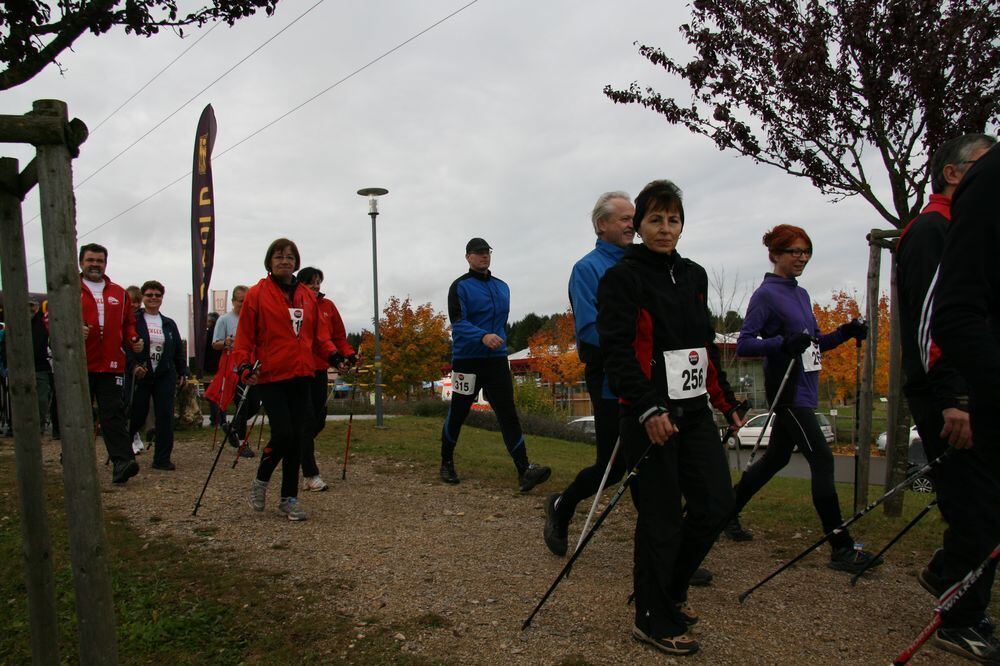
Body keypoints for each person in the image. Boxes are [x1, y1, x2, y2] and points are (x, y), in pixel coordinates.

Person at [598, 180, 744, 656]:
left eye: (674, 219)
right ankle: (652, 617)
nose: (665, 228)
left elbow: (705, 349)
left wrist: (727, 404)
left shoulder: (695, 275)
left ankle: (670, 589)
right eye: (656, 219)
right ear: (638, 225)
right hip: (649, 417)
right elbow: (616, 353)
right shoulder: (623, 277)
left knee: (716, 506)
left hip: (694, 411)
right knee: (660, 519)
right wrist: (646, 406)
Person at [731, 224, 878, 573]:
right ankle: (840, 547)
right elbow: (744, 343)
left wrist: (845, 332)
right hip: (788, 392)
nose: (802, 258)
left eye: (806, 251)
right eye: (794, 251)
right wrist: (781, 343)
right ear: (775, 255)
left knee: (775, 459)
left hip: (806, 390)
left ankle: (724, 512)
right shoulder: (765, 295)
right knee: (823, 461)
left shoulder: (801, 294)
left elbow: (812, 343)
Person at [927, 140, 1000, 661]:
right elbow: (940, 315)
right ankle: (960, 613)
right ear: (954, 173)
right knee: (980, 509)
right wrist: (957, 394)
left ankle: (950, 582)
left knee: (979, 508)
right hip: (963, 389)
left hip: (974, 384)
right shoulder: (934, 228)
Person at [235, 239, 340, 521]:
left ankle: (289, 498)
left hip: (302, 374)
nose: (285, 261)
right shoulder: (257, 294)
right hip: (271, 374)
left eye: (290, 257)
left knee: (298, 438)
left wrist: (335, 356)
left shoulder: (306, 295)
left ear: (296, 262)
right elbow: (244, 337)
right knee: (284, 434)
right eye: (279, 256)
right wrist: (244, 365)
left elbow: (319, 337)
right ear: (269, 261)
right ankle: (261, 480)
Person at [440, 237, 551, 492]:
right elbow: (458, 323)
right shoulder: (459, 286)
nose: (484, 256)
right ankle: (446, 462)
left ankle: (524, 470)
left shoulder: (503, 287)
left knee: (507, 412)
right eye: (478, 253)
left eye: (487, 252)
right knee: (459, 411)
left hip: (497, 360)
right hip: (467, 359)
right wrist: (482, 335)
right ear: (468, 257)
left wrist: (497, 340)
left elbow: (502, 320)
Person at [79, 243, 143, 484]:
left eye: (99, 260)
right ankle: (74, 458)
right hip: (80, 364)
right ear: (81, 262)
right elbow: (50, 321)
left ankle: (123, 462)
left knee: (113, 413)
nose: (95, 264)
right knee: (78, 414)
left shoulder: (118, 292)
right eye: (90, 260)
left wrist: (133, 340)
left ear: (105, 263)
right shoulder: (69, 289)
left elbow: (128, 324)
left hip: (111, 364)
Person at [297, 266, 356, 492]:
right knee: (307, 419)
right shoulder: (296, 305)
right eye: (311, 282)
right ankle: (310, 473)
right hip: (299, 370)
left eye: (318, 281)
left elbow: (338, 336)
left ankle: (298, 449)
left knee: (319, 419)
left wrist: (348, 354)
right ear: (300, 283)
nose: (316, 285)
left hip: (320, 369)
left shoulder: (327, 306)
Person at [127, 280, 188, 471]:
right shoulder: (133, 320)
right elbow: (125, 347)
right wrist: (133, 366)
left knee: (165, 415)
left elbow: (178, 349)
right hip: (141, 374)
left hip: (164, 374)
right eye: (149, 295)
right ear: (143, 297)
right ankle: (123, 455)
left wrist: (183, 372)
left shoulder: (169, 323)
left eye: (157, 295)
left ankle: (162, 458)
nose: (153, 298)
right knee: (137, 414)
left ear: (162, 298)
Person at [212, 285, 257, 456]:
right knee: (243, 404)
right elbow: (215, 344)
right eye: (240, 301)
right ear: (233, 301)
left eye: (247, 301)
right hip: (234, 369)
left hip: (252, 368)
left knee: (255, 403)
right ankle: (242, 442)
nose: (243, 304)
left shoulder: (253, 318)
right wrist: (227, 342)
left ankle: (233, 427)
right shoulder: (224, 320)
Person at [29, 299, 52, 435]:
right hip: (22, 368)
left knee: (41, 399)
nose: (30, 309)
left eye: (32, 305)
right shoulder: (17, 324)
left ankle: (39, 425)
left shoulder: (44, 324)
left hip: (41, 367)